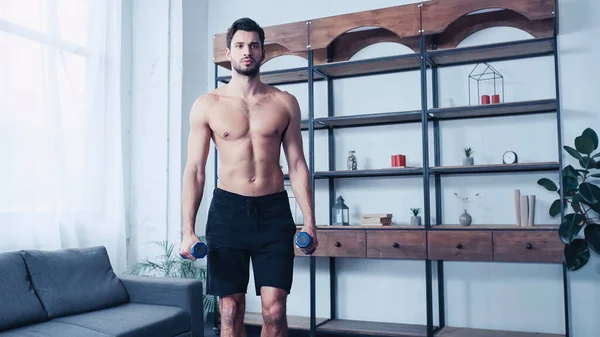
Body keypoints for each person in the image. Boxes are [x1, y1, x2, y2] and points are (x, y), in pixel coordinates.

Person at [179, 17, 318, 337]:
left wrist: (310, 221)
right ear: (228, 52)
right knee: (229, 310)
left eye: (253, 46)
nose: (247, 51)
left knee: (275, 310)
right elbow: (195, 169)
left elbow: (297, 164)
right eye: (240, 46)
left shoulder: (284, 102)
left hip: (273, 212)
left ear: (262, 52)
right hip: (228, 212)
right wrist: (187, 230)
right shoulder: (207, 105)